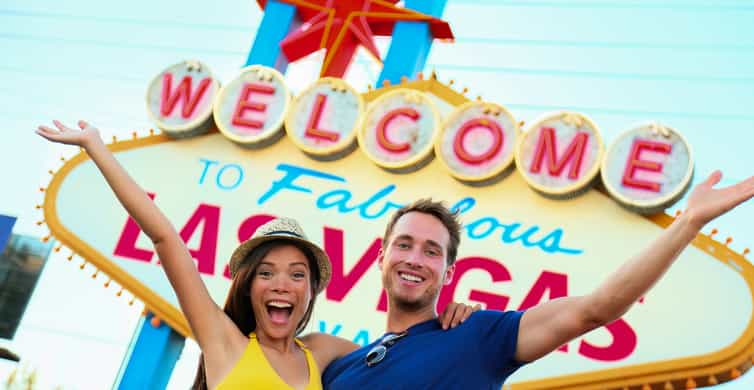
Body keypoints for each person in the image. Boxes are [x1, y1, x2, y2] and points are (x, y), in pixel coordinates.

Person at [35, 120, 478, 390]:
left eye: (296, 275)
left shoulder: (321, 353)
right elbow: (167, 239)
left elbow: (405, 355)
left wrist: (453, 318)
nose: (282, 284)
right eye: (266, 273)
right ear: (248, 288)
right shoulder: (224, 343)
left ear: (310, 292)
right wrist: (96, 147)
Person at [323, 177, 754, 388]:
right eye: (404, 245)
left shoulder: (478, 335)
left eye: (432, 251)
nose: (415, 259)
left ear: (449, 272)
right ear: (381, 257)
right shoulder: (334, 367)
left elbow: (596, 309)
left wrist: (689, 222)